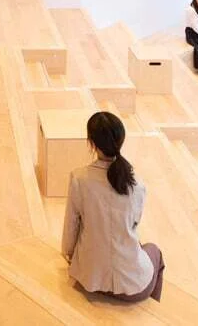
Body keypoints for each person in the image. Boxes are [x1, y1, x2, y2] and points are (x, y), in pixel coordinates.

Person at [61, 112, 165, 302]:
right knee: (154, 251)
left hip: (88, 279)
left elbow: (71, 227)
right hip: (132, 287)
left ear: (91, 143)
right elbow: (133, 224)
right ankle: (150, 312)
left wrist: (69, 255)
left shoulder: (79, 179)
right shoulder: (137, 185)